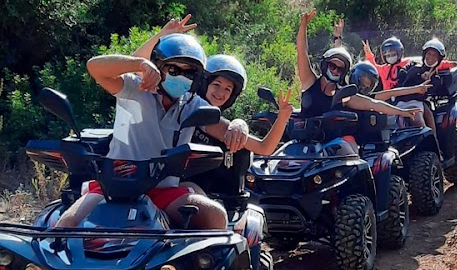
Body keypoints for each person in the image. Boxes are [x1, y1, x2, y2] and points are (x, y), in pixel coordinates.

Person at [56, 34, 245, 230]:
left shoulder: (190, 104)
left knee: (215, 215)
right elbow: (95, 67)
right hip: (114, 188)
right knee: (66, 225)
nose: (181, 76)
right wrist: (139, 64)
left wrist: (240, 124)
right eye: (173, 69)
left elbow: (244, 138)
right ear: (158, 67)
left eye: (189, 73)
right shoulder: (135, 88)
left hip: (163, 191)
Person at [133, 15, 293, 156]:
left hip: (185, 184)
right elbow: (134, 68)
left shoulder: (201, 114)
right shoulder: (183, 102)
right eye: (217, 84)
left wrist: (281, 118)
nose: (220, 92)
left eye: (228, 89)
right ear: (203, 83)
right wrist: (162, 36)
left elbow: (263, 148)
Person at [295, 9, 421, 153]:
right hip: (304, 144)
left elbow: (374, 104)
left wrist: (403, 112)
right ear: (325, 65)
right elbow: (302, 52)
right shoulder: (309, 81)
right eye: (332, 66)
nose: (335, 70)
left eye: (340, 69)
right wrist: (303, 26)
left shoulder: (344, 94)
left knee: (350, 149)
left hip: (332, 147)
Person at [395, 38, 451, 141]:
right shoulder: (412, 65)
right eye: (429, 54)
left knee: (420, 124)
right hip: (398, 100)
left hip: (415, 103)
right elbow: (403, 76)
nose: (431, 57)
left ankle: (432, 145)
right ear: (424, 54)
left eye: (435, 55)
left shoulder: (435, 78)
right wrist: (419, 74)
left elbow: (429, 91)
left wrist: (428, 80)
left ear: (439, 59)